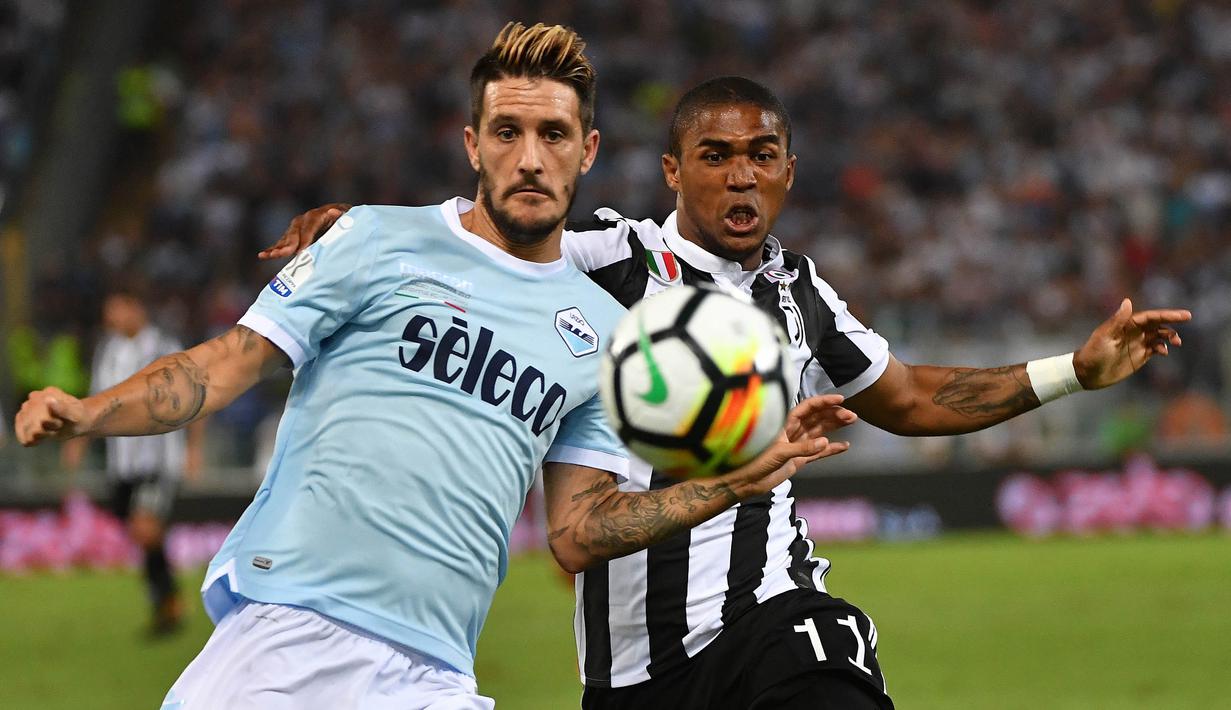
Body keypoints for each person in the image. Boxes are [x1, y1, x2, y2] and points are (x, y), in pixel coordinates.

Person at [273, 76, 1191, 709]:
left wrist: (1072, 371)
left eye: (761, 154)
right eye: (714, 155)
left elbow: (910, 397)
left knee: (831, 660)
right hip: (630, 671)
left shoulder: (800, 293)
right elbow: (482, 236)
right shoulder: (604, 257)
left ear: (788, 169)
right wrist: (358, 229)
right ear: (672, 171)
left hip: (769, 615)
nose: (740, 173)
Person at [14, 30, 849, 709]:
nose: (530, 158)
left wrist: (731, 484)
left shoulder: (604, 336)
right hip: (291, 633)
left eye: (553, 135)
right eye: (507, 132)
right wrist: (91, 412)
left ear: (587, 150)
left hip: (437, 673)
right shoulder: (376, 239)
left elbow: (578, 531)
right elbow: (224, 366)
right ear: (472, 144)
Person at [61, 287, 205, 635]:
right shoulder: (109, 350)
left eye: (117, 310)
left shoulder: (164, 346)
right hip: (122, 463)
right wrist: (79, 442)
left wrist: (193, 447)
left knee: (145, 526)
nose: (111, 318)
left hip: (159, 460)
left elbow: (196, 393)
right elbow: (97, 400)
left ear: (135, 308)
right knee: (139, 532)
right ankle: (165, 599)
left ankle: (167, 602)